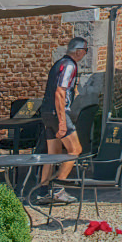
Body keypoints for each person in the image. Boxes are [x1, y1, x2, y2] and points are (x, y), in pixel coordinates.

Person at [36, 37, 88, 204]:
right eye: (85, 51)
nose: (85, 54)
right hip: (58, 113)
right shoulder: (70, 65)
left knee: (53, 154)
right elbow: (60, 92)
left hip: (46, 112)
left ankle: (43, 190)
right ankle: (58, 189)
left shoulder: (58, 63)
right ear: (79, 51)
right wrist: (63, 122)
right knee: (75, 150)